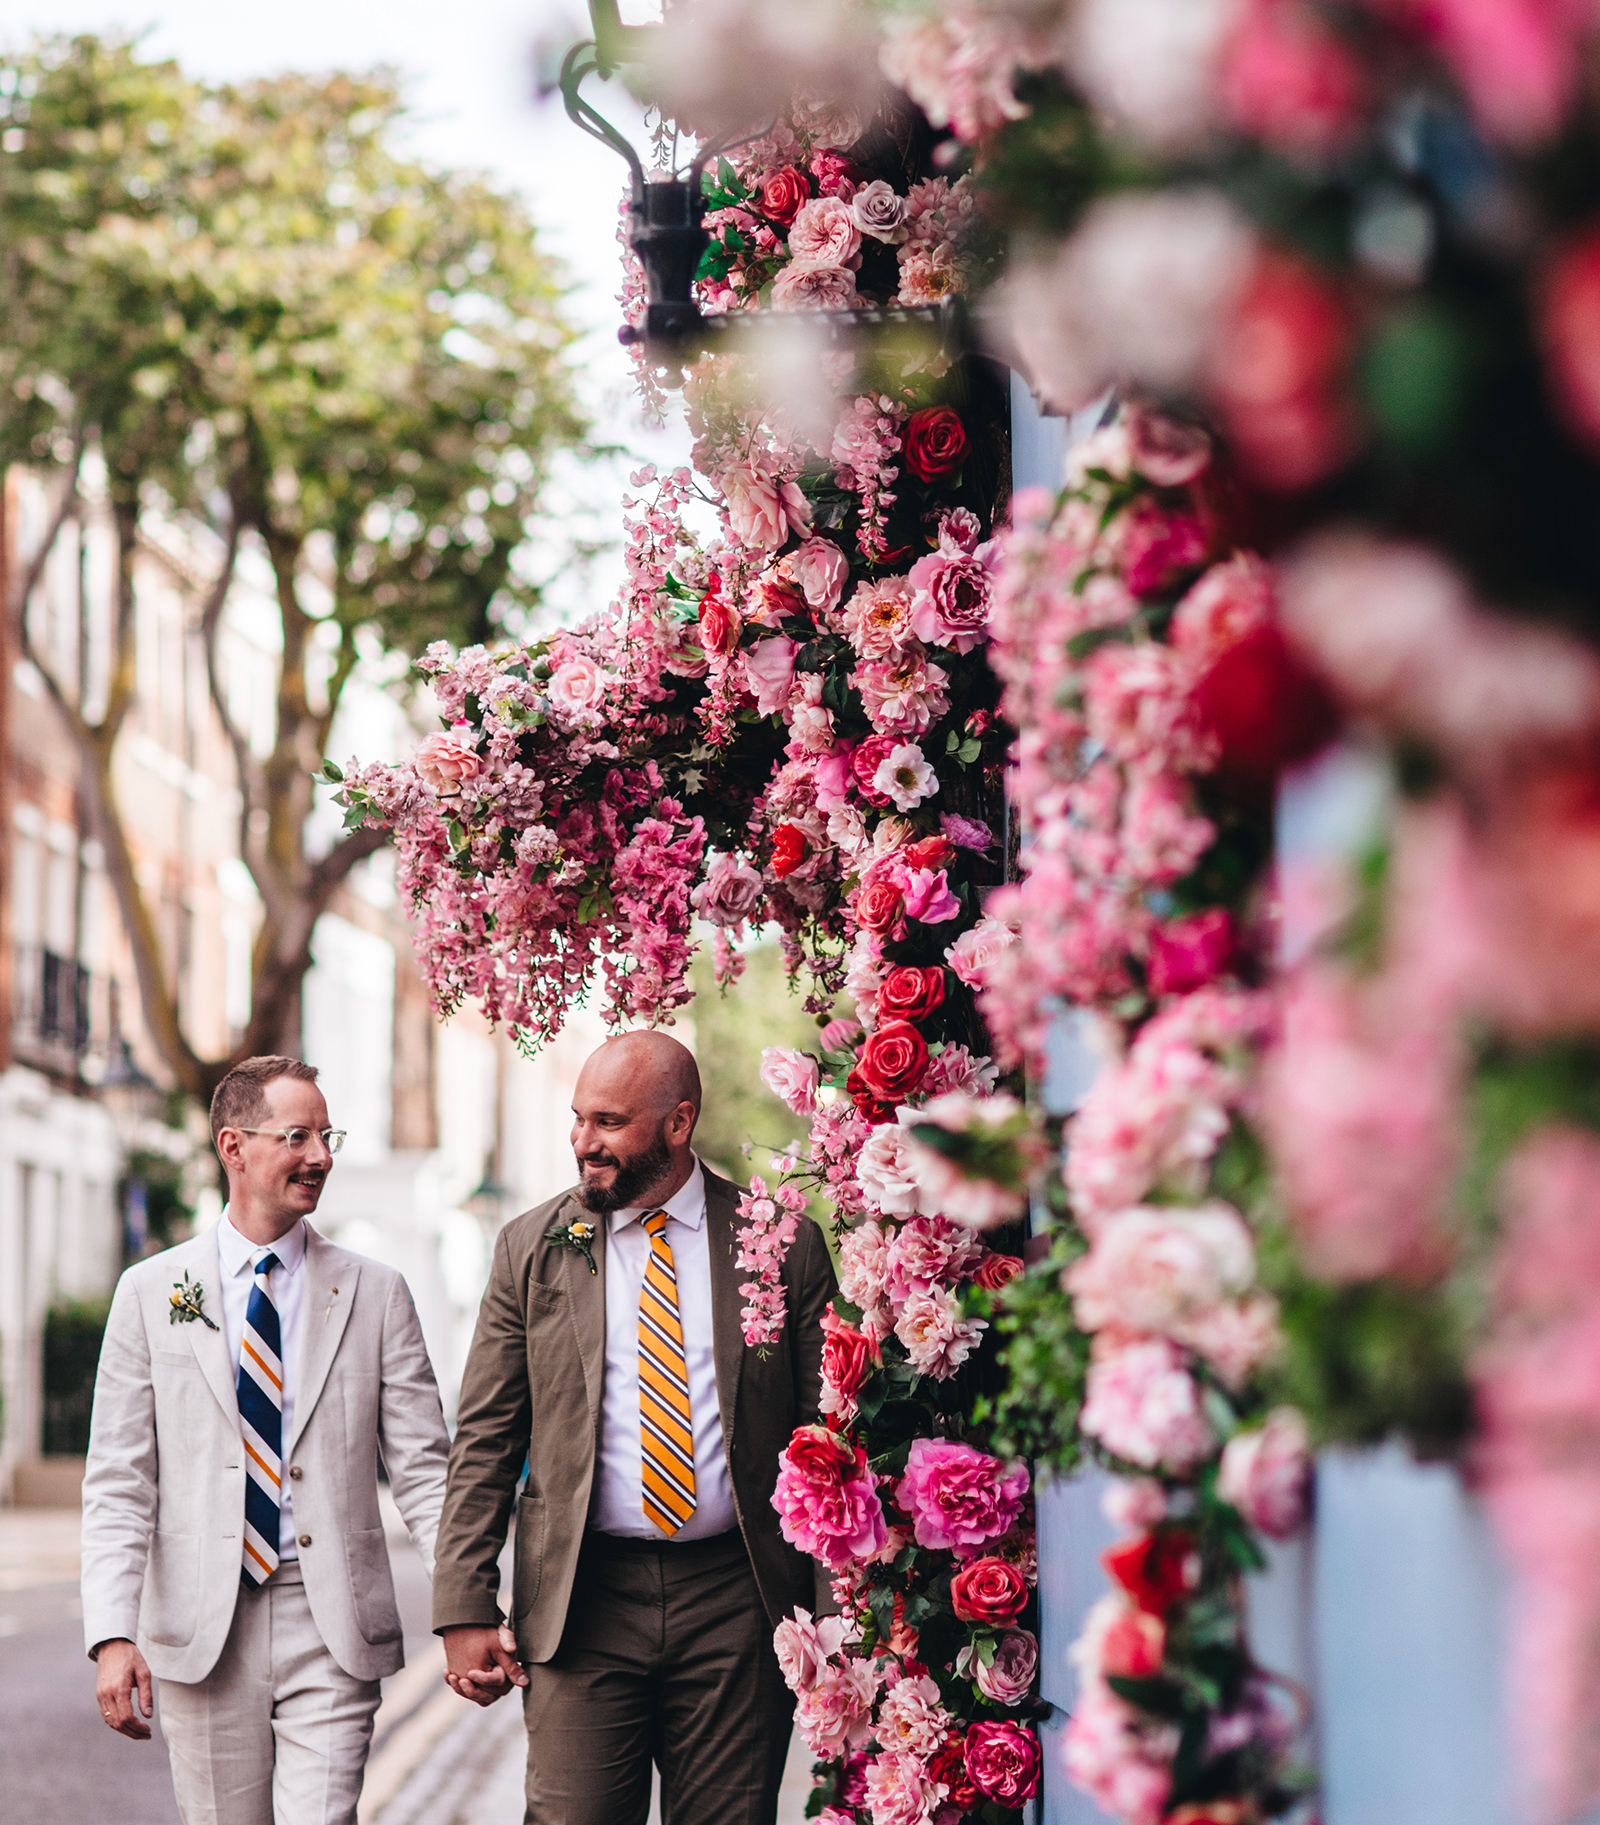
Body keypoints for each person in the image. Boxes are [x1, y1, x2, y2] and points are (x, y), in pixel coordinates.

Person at [432, 1030, 836, 1825]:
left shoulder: (779, 1244)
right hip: (585, 1597)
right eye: (579, 1119)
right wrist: (465, 1603)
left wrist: (835, 1612)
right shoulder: (532, 1247)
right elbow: (485, 1437)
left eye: (609, 1122)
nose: (585, 1142)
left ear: (678, 1123)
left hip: (738, 1599)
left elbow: (827, 1441)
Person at [81, 1055, 451, 1825]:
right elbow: (120, 1479)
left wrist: (466, 1605)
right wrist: (112, 1632)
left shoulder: (375, 1291)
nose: (321, 1155)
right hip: (200, 1630)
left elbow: (423, 1469)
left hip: (333, 1621)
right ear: (233, 1146)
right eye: (298, 1135)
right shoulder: (151, 1293)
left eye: (327, 1135)